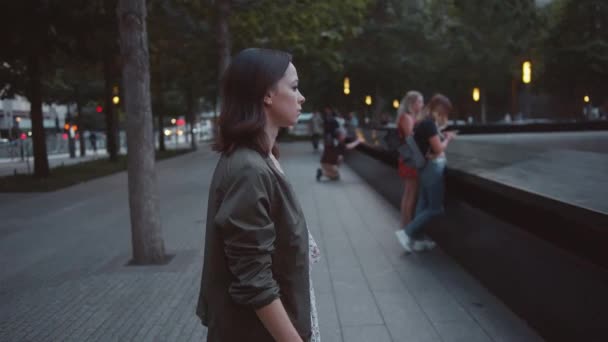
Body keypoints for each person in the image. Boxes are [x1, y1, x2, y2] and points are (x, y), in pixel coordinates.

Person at [196, 48, 320, 342]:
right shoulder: (249, 169)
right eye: (293, 87)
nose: (301, 97)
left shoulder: (262, 158)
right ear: (266, 94)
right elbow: (254, 281)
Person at [395, 94, 457, 253]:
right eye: (446, 111)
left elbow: (427, 145)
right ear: (440, 109)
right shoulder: (428, 124)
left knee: (422, 205)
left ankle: (416, 238)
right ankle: (406, 233)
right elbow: (438, 149)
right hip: (433, 169)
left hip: (425, 168)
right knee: (435, 208)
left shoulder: (423, 122)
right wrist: (448, 139)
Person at [395, 91, 424, 229]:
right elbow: (410, 139)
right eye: (420, 102)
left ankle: (405, 226)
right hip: (410, 159)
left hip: (408, 158)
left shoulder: (410, 117)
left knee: (409, 193)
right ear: (412, 103)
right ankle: (406, 227)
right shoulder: (406, 117)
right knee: (410, 194)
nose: (422, 104)